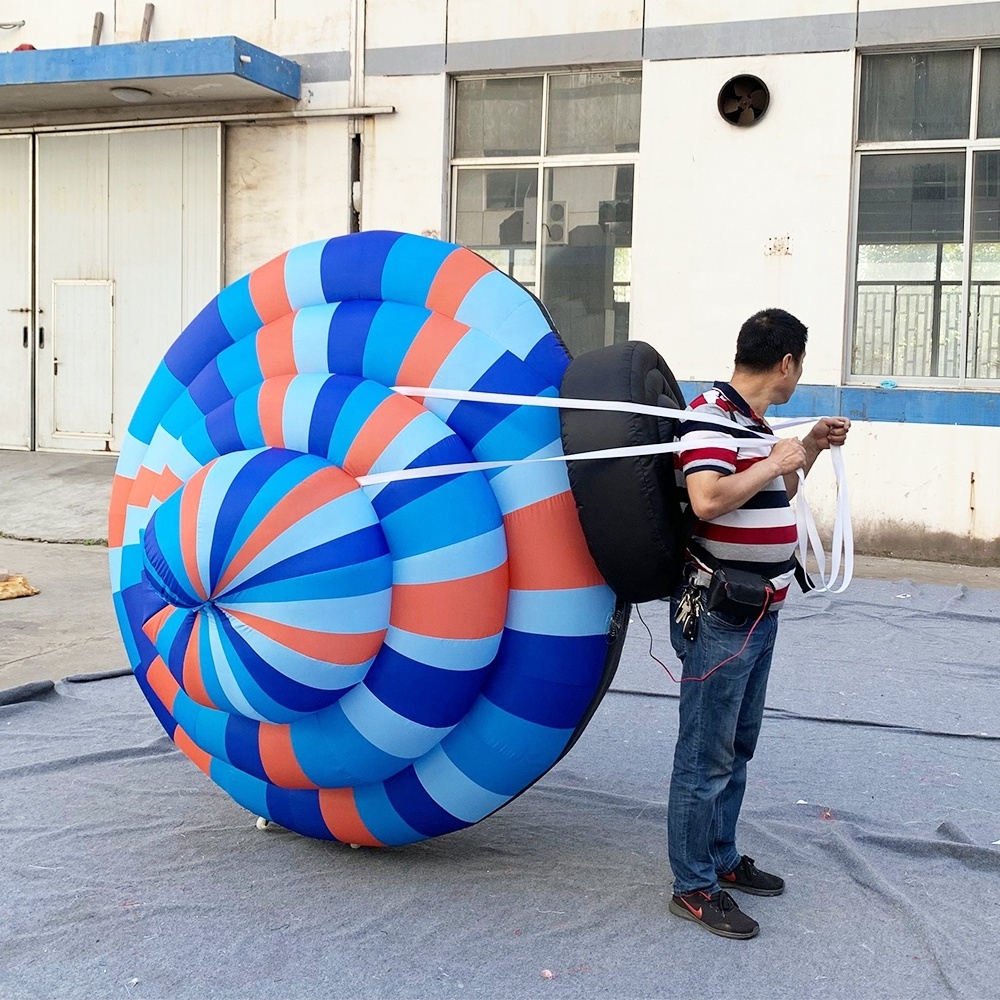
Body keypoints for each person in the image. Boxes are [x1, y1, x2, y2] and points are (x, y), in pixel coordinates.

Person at [666, 308, 850, 940]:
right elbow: (709, 498)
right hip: (721, 615)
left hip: (759, 610)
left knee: (735, 747)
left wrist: (812, 450)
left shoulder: (752, 423)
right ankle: (693, 885)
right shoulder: (710, 418)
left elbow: (777, 496)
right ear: (788, 363)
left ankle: (719, 860)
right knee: (704, 753)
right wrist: (774, 462)